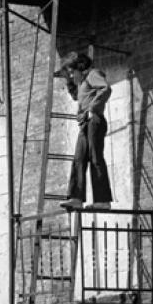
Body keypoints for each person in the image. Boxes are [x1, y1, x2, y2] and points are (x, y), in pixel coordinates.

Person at [58, 51, 113, 210]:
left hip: (94, 120)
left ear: (79, 68)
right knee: (79, 158)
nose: (70, 74)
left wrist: (91, 108)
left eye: (71, 71)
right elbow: (77, 96)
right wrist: (68, 80)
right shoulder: (81, 83)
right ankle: (76, 197)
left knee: (95, 157)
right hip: (85, 124)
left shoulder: (92, 75)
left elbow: (106, 88)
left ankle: (102, 200)